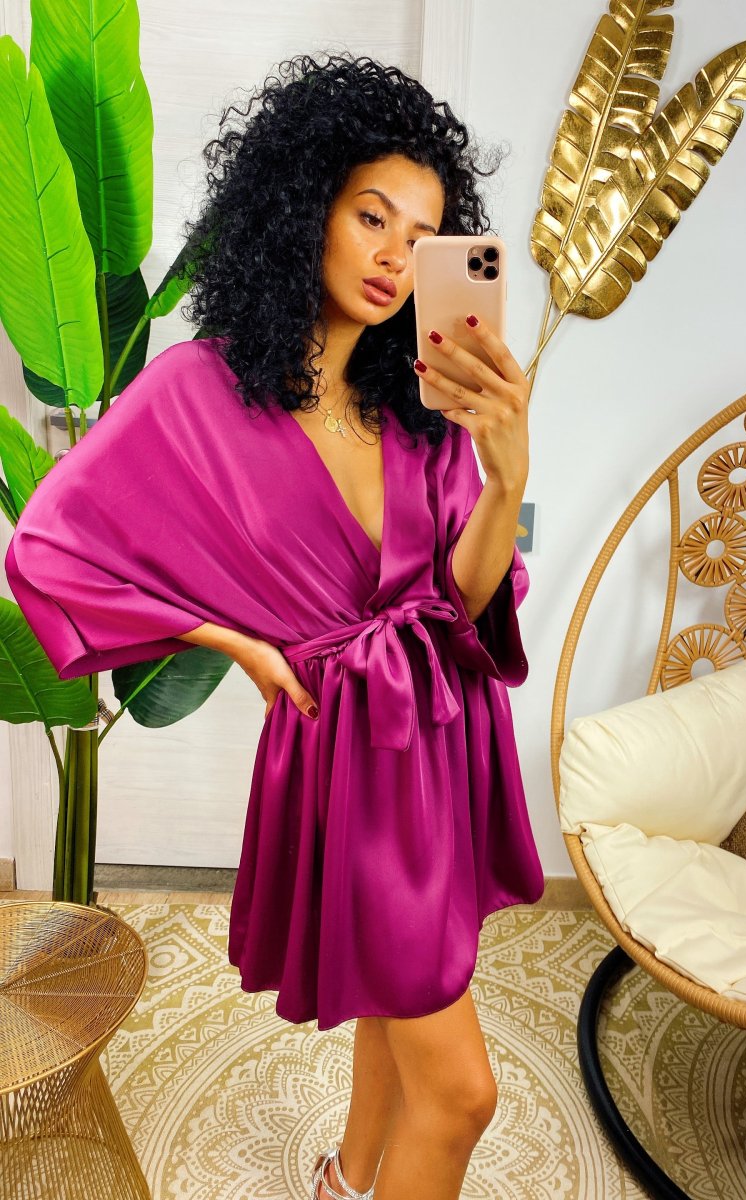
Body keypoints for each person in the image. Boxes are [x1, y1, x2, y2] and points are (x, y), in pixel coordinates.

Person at [5, 51, 544, 1200]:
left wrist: (505, 477)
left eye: (423, 235)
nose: (396, 255)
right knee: (463, 1095)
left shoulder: (420, 411)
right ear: (304, 205)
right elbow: (47, 548)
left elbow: (458, 607)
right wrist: (233, 641)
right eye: (372, 215)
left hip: (442, 737)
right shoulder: (197, 392)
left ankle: (346, 1177)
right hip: (348, 755)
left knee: (401, 998)